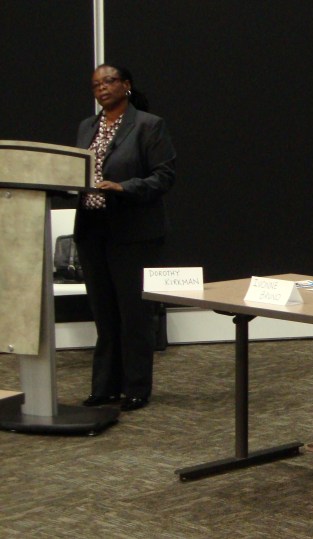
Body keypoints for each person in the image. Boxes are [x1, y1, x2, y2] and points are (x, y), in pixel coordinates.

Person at [76, 64, 176, 412]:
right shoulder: (87, 127)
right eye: (95, 85)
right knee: (104, 313)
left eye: (108, 81)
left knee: (133, 313)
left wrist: (123, 187)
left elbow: (164, 177)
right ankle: (105, 387)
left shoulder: (149, 125)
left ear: (126, 85)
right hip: (92, 229)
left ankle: (135, 387)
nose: (101, 88)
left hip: (133, 231)